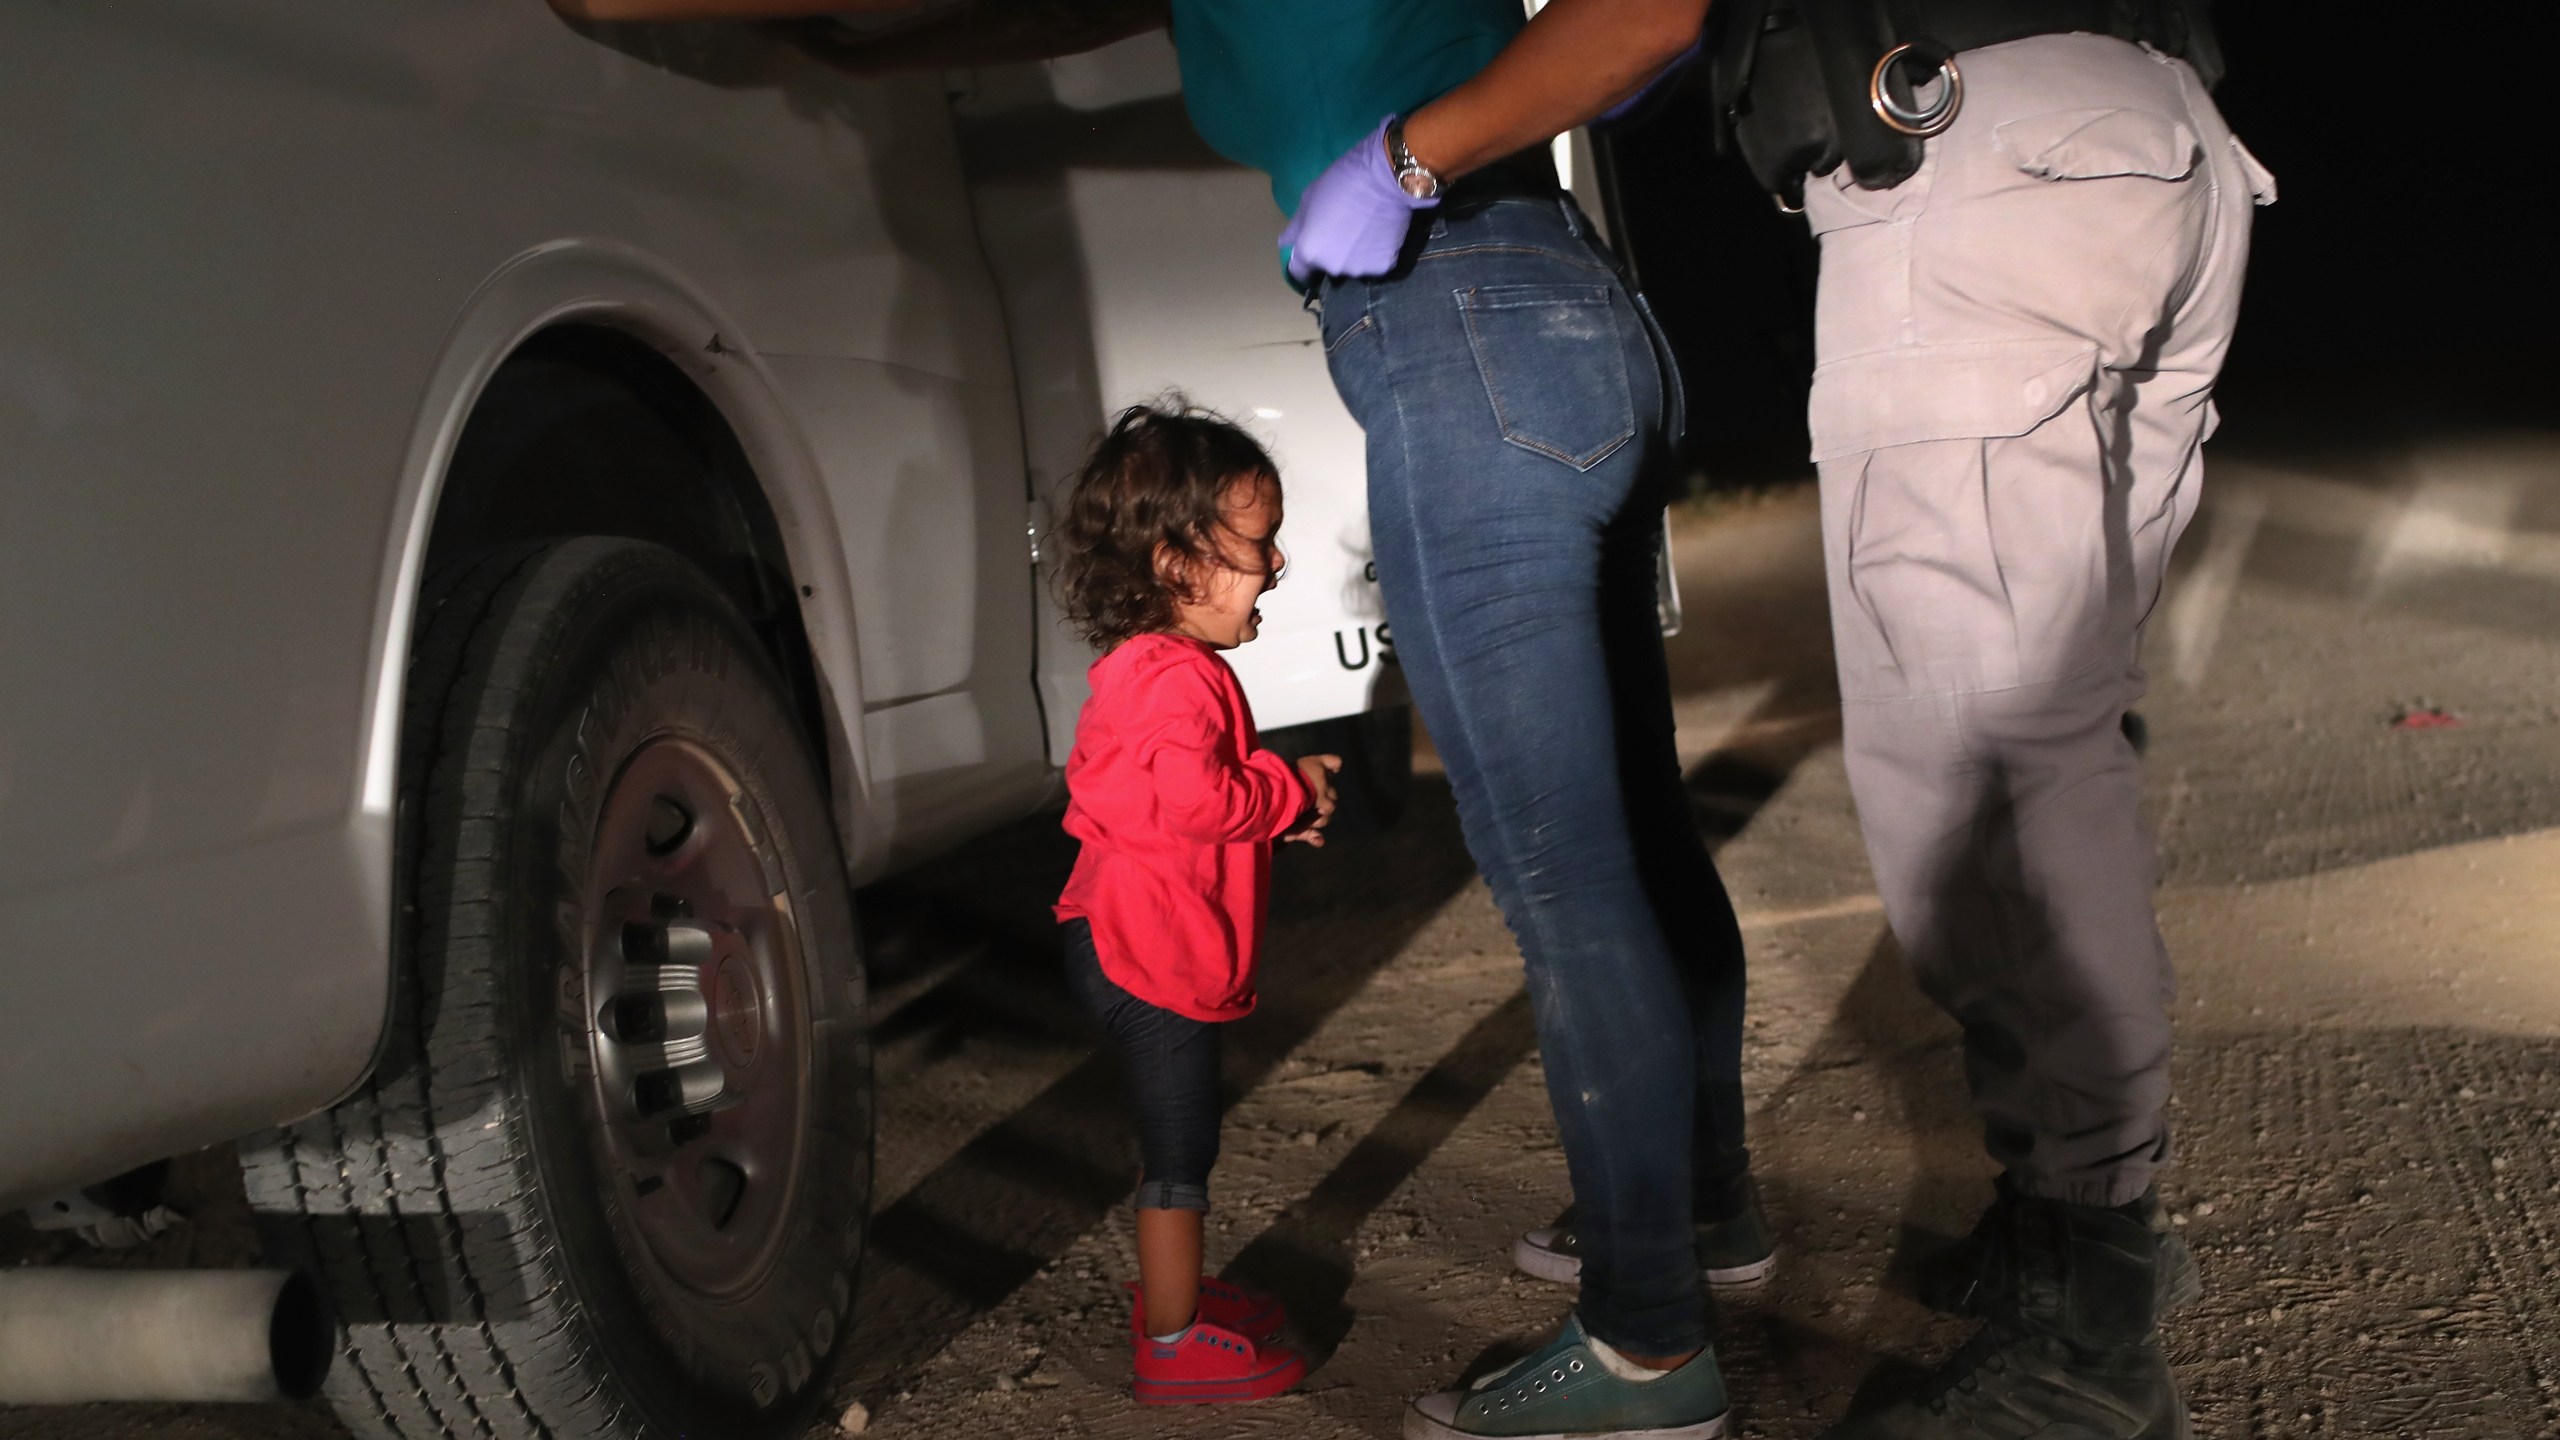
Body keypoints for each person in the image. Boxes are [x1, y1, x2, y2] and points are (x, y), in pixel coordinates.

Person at [1290, 0, 2268, 1436]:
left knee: (1980, 770)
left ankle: (2090, 1336)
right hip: (2156, 137)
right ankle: (2069, 1227)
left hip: (1983, 155)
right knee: (2056, 738)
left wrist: (1412, 158)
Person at [1048, 402, 1341, 1405]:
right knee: (1179, 1151)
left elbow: (1172, 802)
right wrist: (1286, 790)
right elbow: (1197, 799)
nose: (1276, 566)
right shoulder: (1175, 679)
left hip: (1119, 935)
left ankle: (1182, 1300)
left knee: (1181, 1141)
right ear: (1178, 564)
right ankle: (1169, 1341)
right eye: (1258, 546)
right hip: (1148, 954)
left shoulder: (1147, 670)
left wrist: (1271, 808)